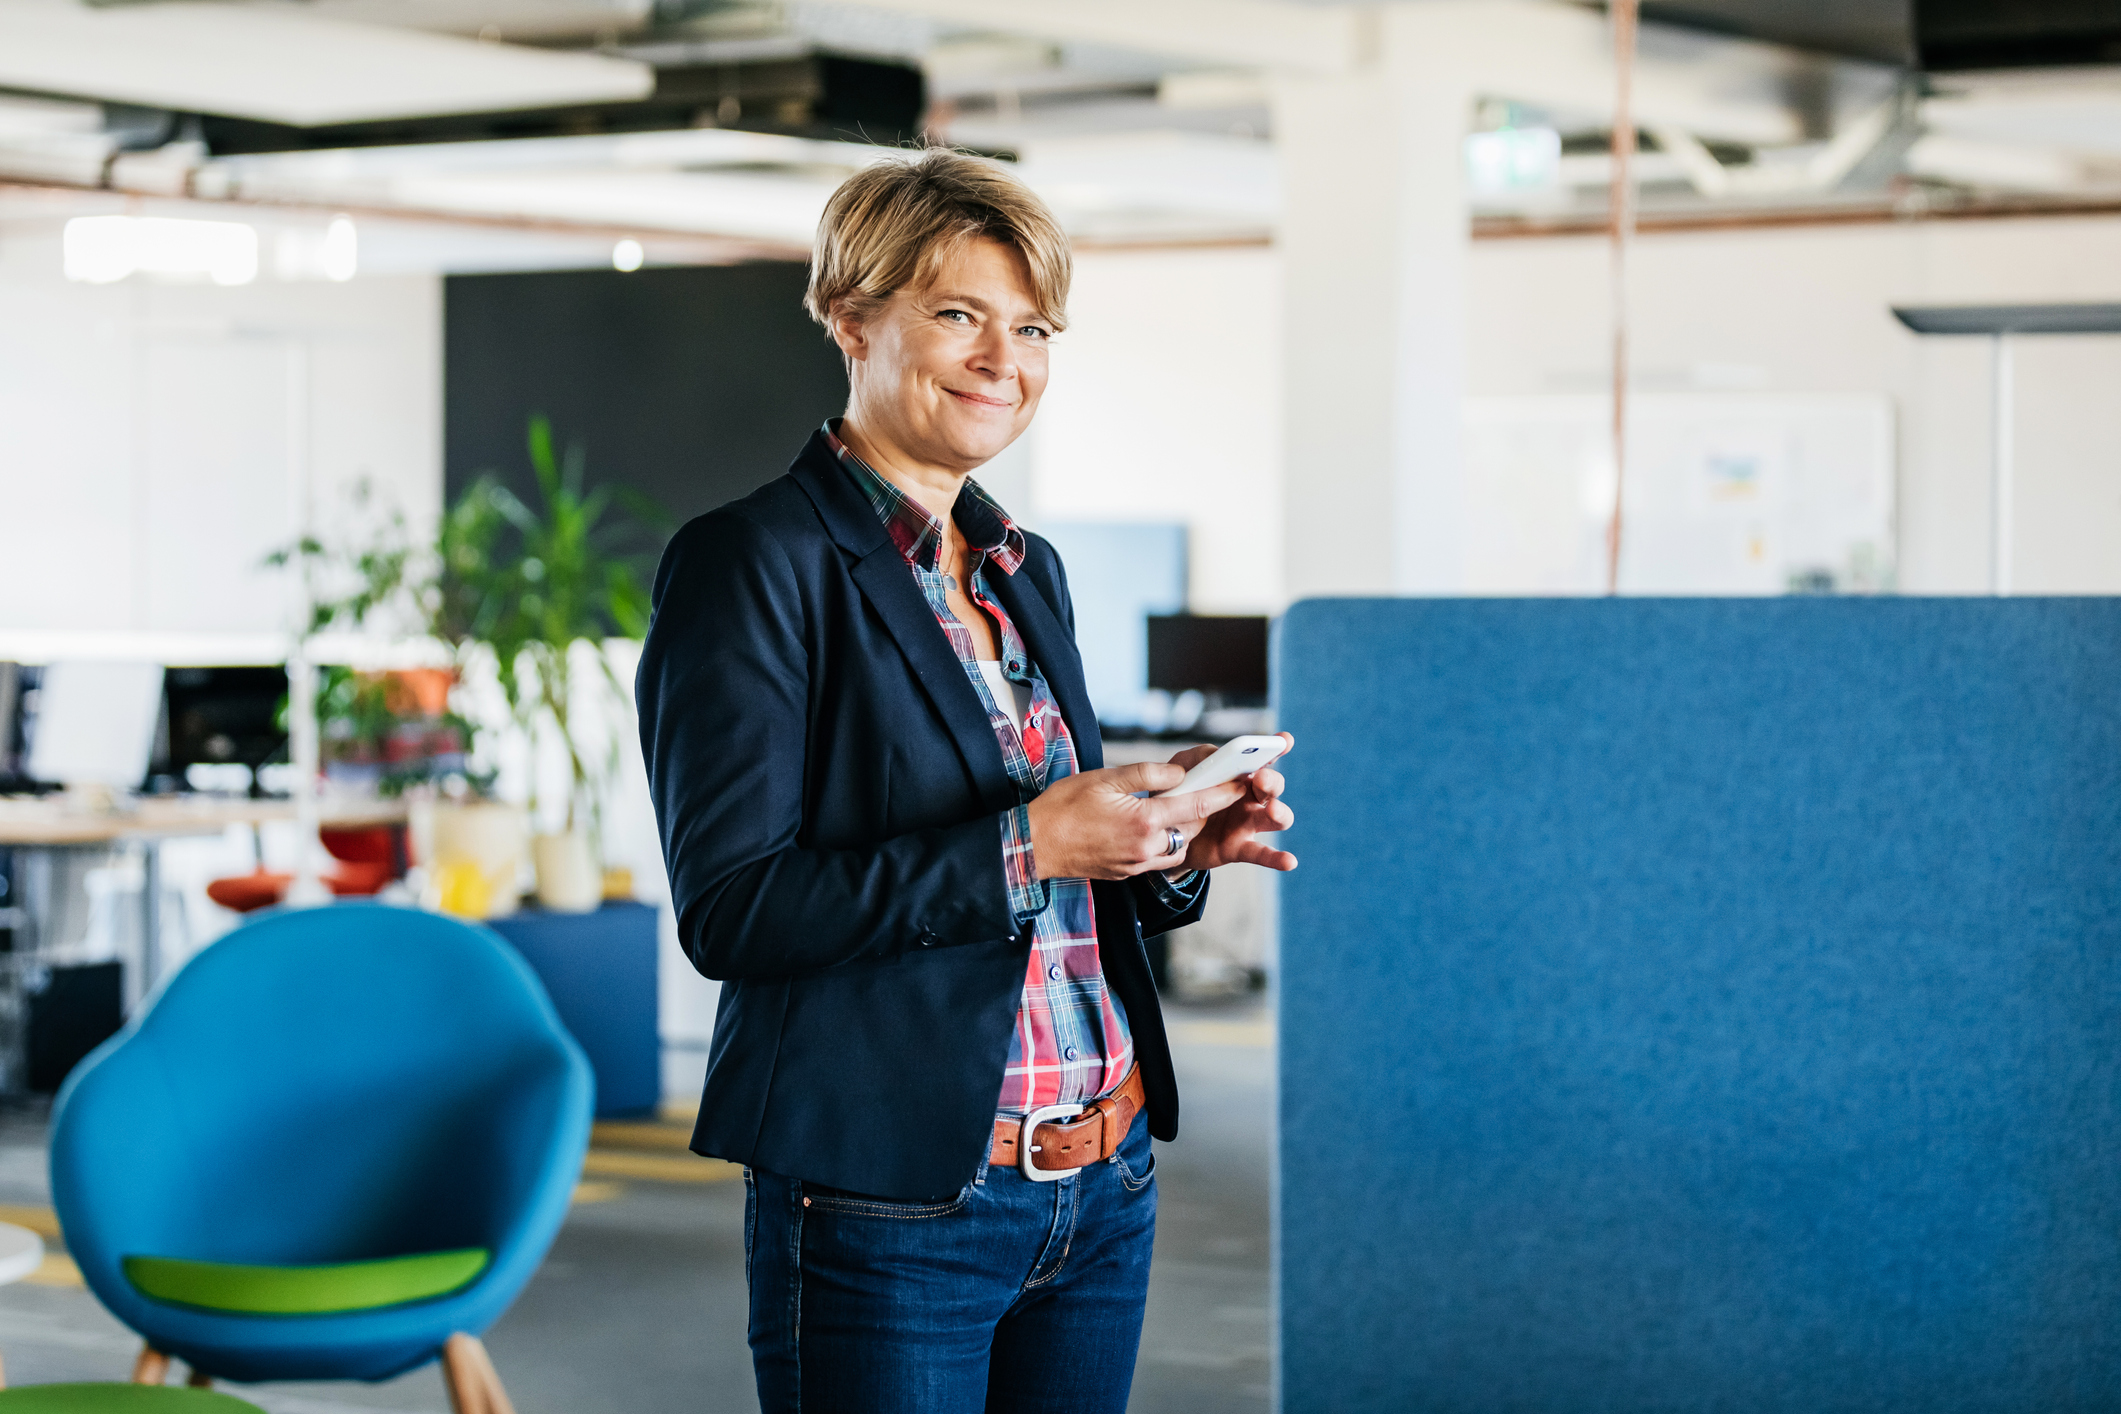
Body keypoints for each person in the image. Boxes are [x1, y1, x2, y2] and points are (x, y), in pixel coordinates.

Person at [635, 146, 1297, 1414]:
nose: (1006, 359)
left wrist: (1164, 841)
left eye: (1034, 325)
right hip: (894, 1201)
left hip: (1100, 1185)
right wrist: (1033, 842)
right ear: (852, 317)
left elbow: (1055, 863)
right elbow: (736, 909)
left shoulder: (1020, 567)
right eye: (959, 315)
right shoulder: (753, 564)